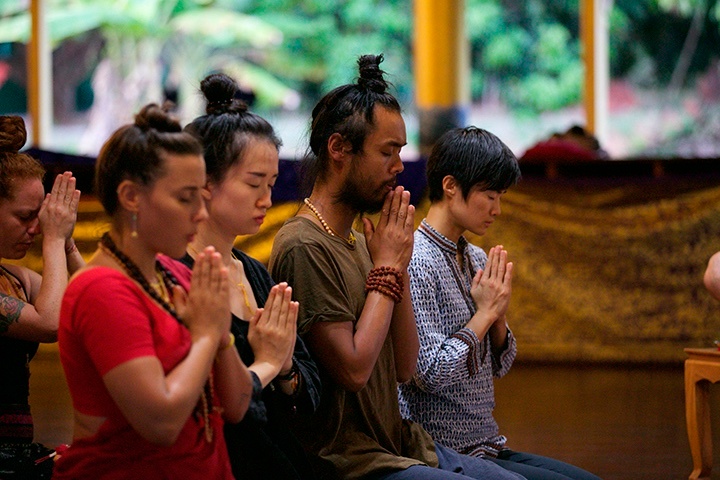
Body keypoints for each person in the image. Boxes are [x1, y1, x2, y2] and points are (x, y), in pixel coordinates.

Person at [269, 54, 524, 480]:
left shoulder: (361, 241)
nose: (399, 167)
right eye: (387, 152)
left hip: (399, 443)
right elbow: (354, 370)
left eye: (400, 152)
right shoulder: (303, 244)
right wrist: (388, 268)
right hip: (349, 461)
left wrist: (396, 263)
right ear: (338, 149)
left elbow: (405, 365)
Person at [54, 103, 253, 479]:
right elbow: (161, 424)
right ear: (131, 196)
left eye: (201, 197)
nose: (201, 213)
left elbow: (238, 404)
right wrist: (206, 336)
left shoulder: (175, 274)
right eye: (185, 198)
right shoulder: (100, 289)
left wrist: (220, 335)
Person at [398, 126, 601, 480]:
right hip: (440, 451)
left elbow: (501, 364)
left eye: (500, 196)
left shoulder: (475, 257)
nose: (498, 209)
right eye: (490, 195)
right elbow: (428, 374)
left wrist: (499, 318)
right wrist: (486, 313)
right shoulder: (416, 261)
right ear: (450, 186)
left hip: (486, 444)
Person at [173, 72, 321, 480]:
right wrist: (268, 363)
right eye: (255, 183)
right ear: (204, 182)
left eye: (271, 184)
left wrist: (286, 367)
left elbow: (310, 395)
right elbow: (212, 407)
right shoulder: (174, 275)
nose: (267, 200)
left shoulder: (253, 272)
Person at [0, 115, 84, 444]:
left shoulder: (16, 278)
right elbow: (50, 323)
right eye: (25, 216)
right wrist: (53, 239)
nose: (35, 229)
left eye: (40, 216)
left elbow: (98, 301)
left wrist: (67, 242)